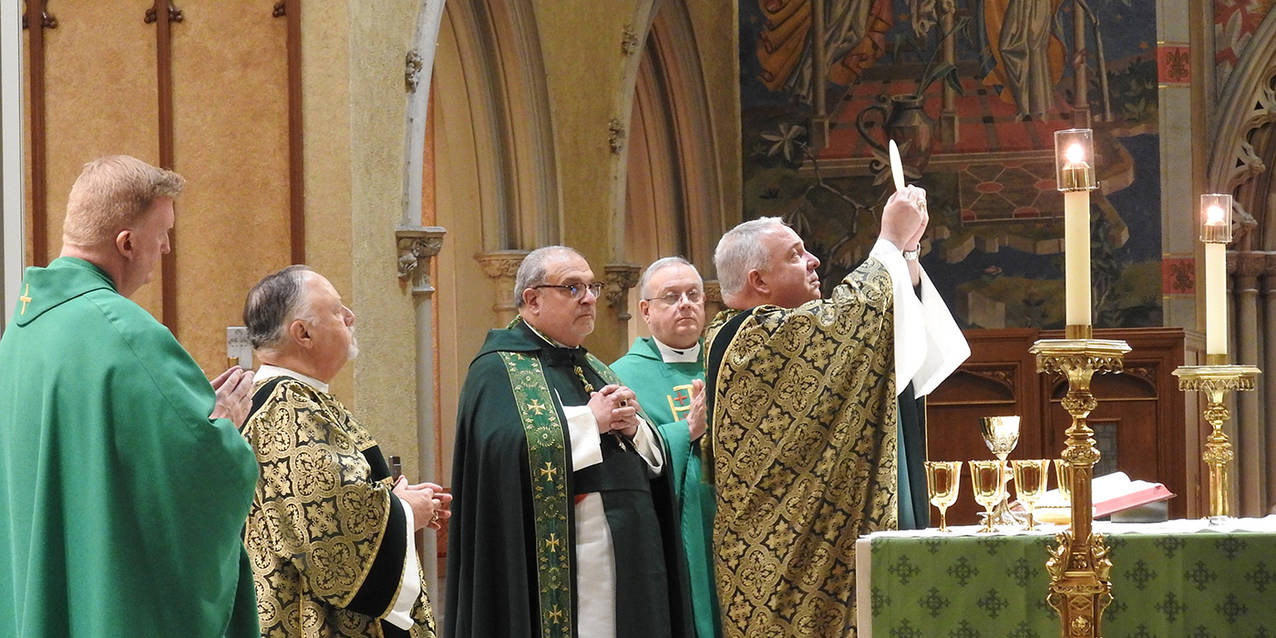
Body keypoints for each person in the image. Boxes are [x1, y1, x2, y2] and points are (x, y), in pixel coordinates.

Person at [0, 155, 260, 637]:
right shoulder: (127, 333)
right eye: (161, 235)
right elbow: (204, 474)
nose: (165, 249)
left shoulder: (20, 332)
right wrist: (224, 427)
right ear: (126, 242)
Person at [705, 186, 969, 637]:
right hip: (778, 567)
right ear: (759, 282)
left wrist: (907, 254)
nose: (814, 262)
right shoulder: (750, 340)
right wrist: (888, 239)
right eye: (795, 255)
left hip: (816, 549)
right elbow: (848, 319)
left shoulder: (768, 331)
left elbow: (873, 331)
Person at [446, 246, 693, 638]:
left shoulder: (592, 365)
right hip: (570, 554)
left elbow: (652, 453)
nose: (590, 298)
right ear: (533, 299)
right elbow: (501, 453)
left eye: (591, 286)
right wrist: (588, 423)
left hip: (633, 555)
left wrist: (633, 428)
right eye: (572, 288)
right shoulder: (498, 368)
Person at [240, 265, 446, 638]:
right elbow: (331, 535)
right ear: (302, 333)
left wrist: (394, 502)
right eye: (336, 311)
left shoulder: (301, 398)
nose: (350, 317)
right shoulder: (288, 410)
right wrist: (404, 512)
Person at [610, 257, 720, 638]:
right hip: (673, 530)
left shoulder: (726, 362)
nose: (685, 304)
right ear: (646, 310)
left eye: (693, 295)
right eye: (671, 297)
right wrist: (685, 431)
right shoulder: (622, 377)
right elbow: (623, 466)